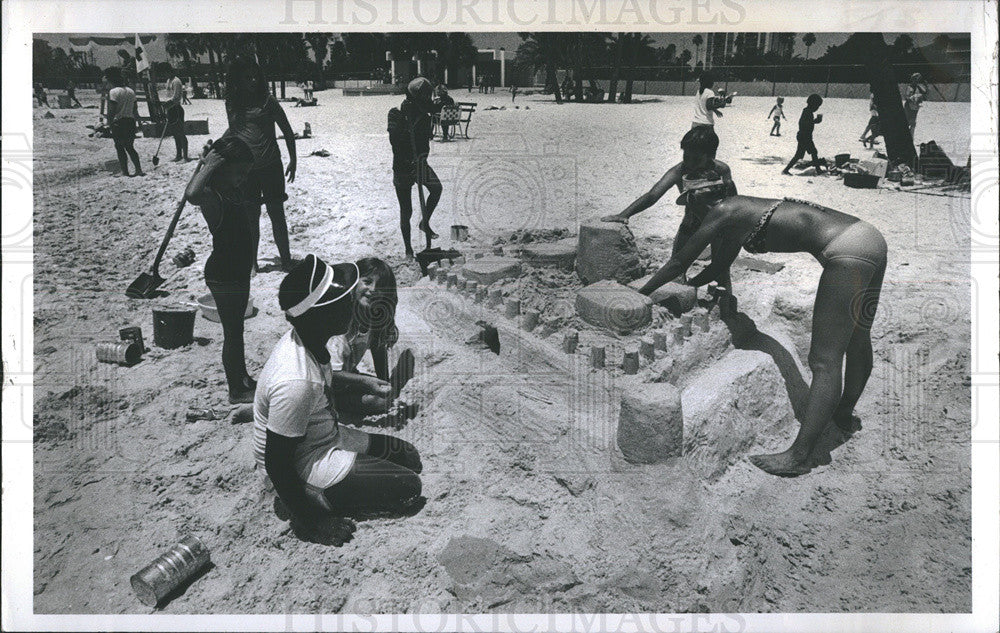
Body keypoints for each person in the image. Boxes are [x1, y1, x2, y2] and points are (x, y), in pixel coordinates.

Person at [636, 172, 887, 477]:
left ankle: (799, 456)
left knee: (823, 360)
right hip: (867, 237)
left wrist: (640, 294)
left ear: (699, 200)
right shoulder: (738, 210)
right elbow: (717, 267)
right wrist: (690, 284)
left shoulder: (721, 212)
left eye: (689, 207)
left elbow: (678, 262)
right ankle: (843, 414)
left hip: (847, 252)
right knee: (858, 338)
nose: (690, 216)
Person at [254, 255, 424, 545]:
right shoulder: (296, 380)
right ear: (321, 314)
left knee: (407, 455)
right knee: (408, 487)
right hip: (303, 463)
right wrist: (313, 522)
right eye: (342, 301)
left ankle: (337, 483)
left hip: (324, 437)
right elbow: (277, 463)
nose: (350, 304)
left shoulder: (310, 338)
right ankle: (311, 498)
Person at [601, 126, 737, 288]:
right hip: (692, 223)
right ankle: (680, 297)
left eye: (697, 159)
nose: (691, 164)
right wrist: (625, 214)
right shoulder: (679, 171)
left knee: (721, 268)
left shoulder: (721, 170)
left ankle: (724, 305)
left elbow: (733, 200)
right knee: (677, 267)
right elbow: (653, 195)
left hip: (718, 225)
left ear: (711, 156)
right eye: (687, 157)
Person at [184, 136, 257, 403]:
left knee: (237, 332)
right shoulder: (212, 197)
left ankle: (243, 378)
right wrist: (208, 165)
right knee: (232, 333)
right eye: (239, 173)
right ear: (222, 168)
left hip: (236, 271)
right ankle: (236, 390)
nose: (242, 178)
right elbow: (191, 194)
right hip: (223, 273)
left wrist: (213, 161)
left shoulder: (231, 191)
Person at [225, 57, 298, 271]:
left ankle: (285, 261)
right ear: (238, 80)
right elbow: (236, 132)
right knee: (250, 217)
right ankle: (252, 263)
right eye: (247, 77)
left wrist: (293, 160)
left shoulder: (268, 101)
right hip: (245, 170)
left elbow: (287, 130)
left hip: (271, 165)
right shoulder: (232, 104)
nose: (253, 80)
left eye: (256, 76)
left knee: (277, 213)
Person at [328, 257, 416, 420]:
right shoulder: (341, 323)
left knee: (382, 396)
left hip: (345, 379)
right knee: (378, 402)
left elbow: (378, 349)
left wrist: (384, 382)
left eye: (380, 287)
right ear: (354, 283)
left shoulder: (372, 318)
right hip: (325, 386)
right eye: (367, 282)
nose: (373, 289)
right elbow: (331, 373)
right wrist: (365, 383)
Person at [388, 77, 444, 258]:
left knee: (436, 188)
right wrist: (407, 126)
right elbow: (395, 142)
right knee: (407, 210)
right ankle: (408, 250)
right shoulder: (395, 113)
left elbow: (425, 143)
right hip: (402, 167)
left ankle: (424, 222)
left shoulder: (424, 117)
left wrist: (421, 159)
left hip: (420, 164)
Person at [103, 67, 144, 177]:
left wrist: (109, 124)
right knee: (130, 147)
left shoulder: (113, 92)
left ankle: (125, 171)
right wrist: (139, 124)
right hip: (130, 121)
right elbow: (135, 110)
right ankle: (138, 169)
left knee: (120, 147)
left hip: (119, 123)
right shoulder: (131, 91)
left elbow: (112, 111)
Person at [782, 94, 825, 175]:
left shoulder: (807, 111)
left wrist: (814, 121)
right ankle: (818, 170)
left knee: (803, 154)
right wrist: (814, 121)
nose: (817, 108)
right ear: (813, 105)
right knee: (812, 152)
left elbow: (806, 123)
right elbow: (802, 123)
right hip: (805, 137)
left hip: (804, 136)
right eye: (817, 106)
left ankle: (786, 169)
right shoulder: (807, 112)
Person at [166, 71, 190, 162]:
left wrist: (168, 104)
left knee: (180, 132)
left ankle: (185, 157)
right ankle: (178, 155)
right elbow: (168, 95)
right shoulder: (168, 80)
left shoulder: (176, 81)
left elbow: (176, 97)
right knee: (175, 133)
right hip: (170, 109)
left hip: (176, 108)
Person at [903, 72, 928, 138]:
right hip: (909, 107)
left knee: (913, 123)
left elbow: (925, 93)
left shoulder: (919, 87)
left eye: (918, 80)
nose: (916, 81)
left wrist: (925, 86)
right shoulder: (910, 87)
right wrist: (914, 98)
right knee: (908, 122)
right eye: (915, 79)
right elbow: (907, 97)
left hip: (915, 107)